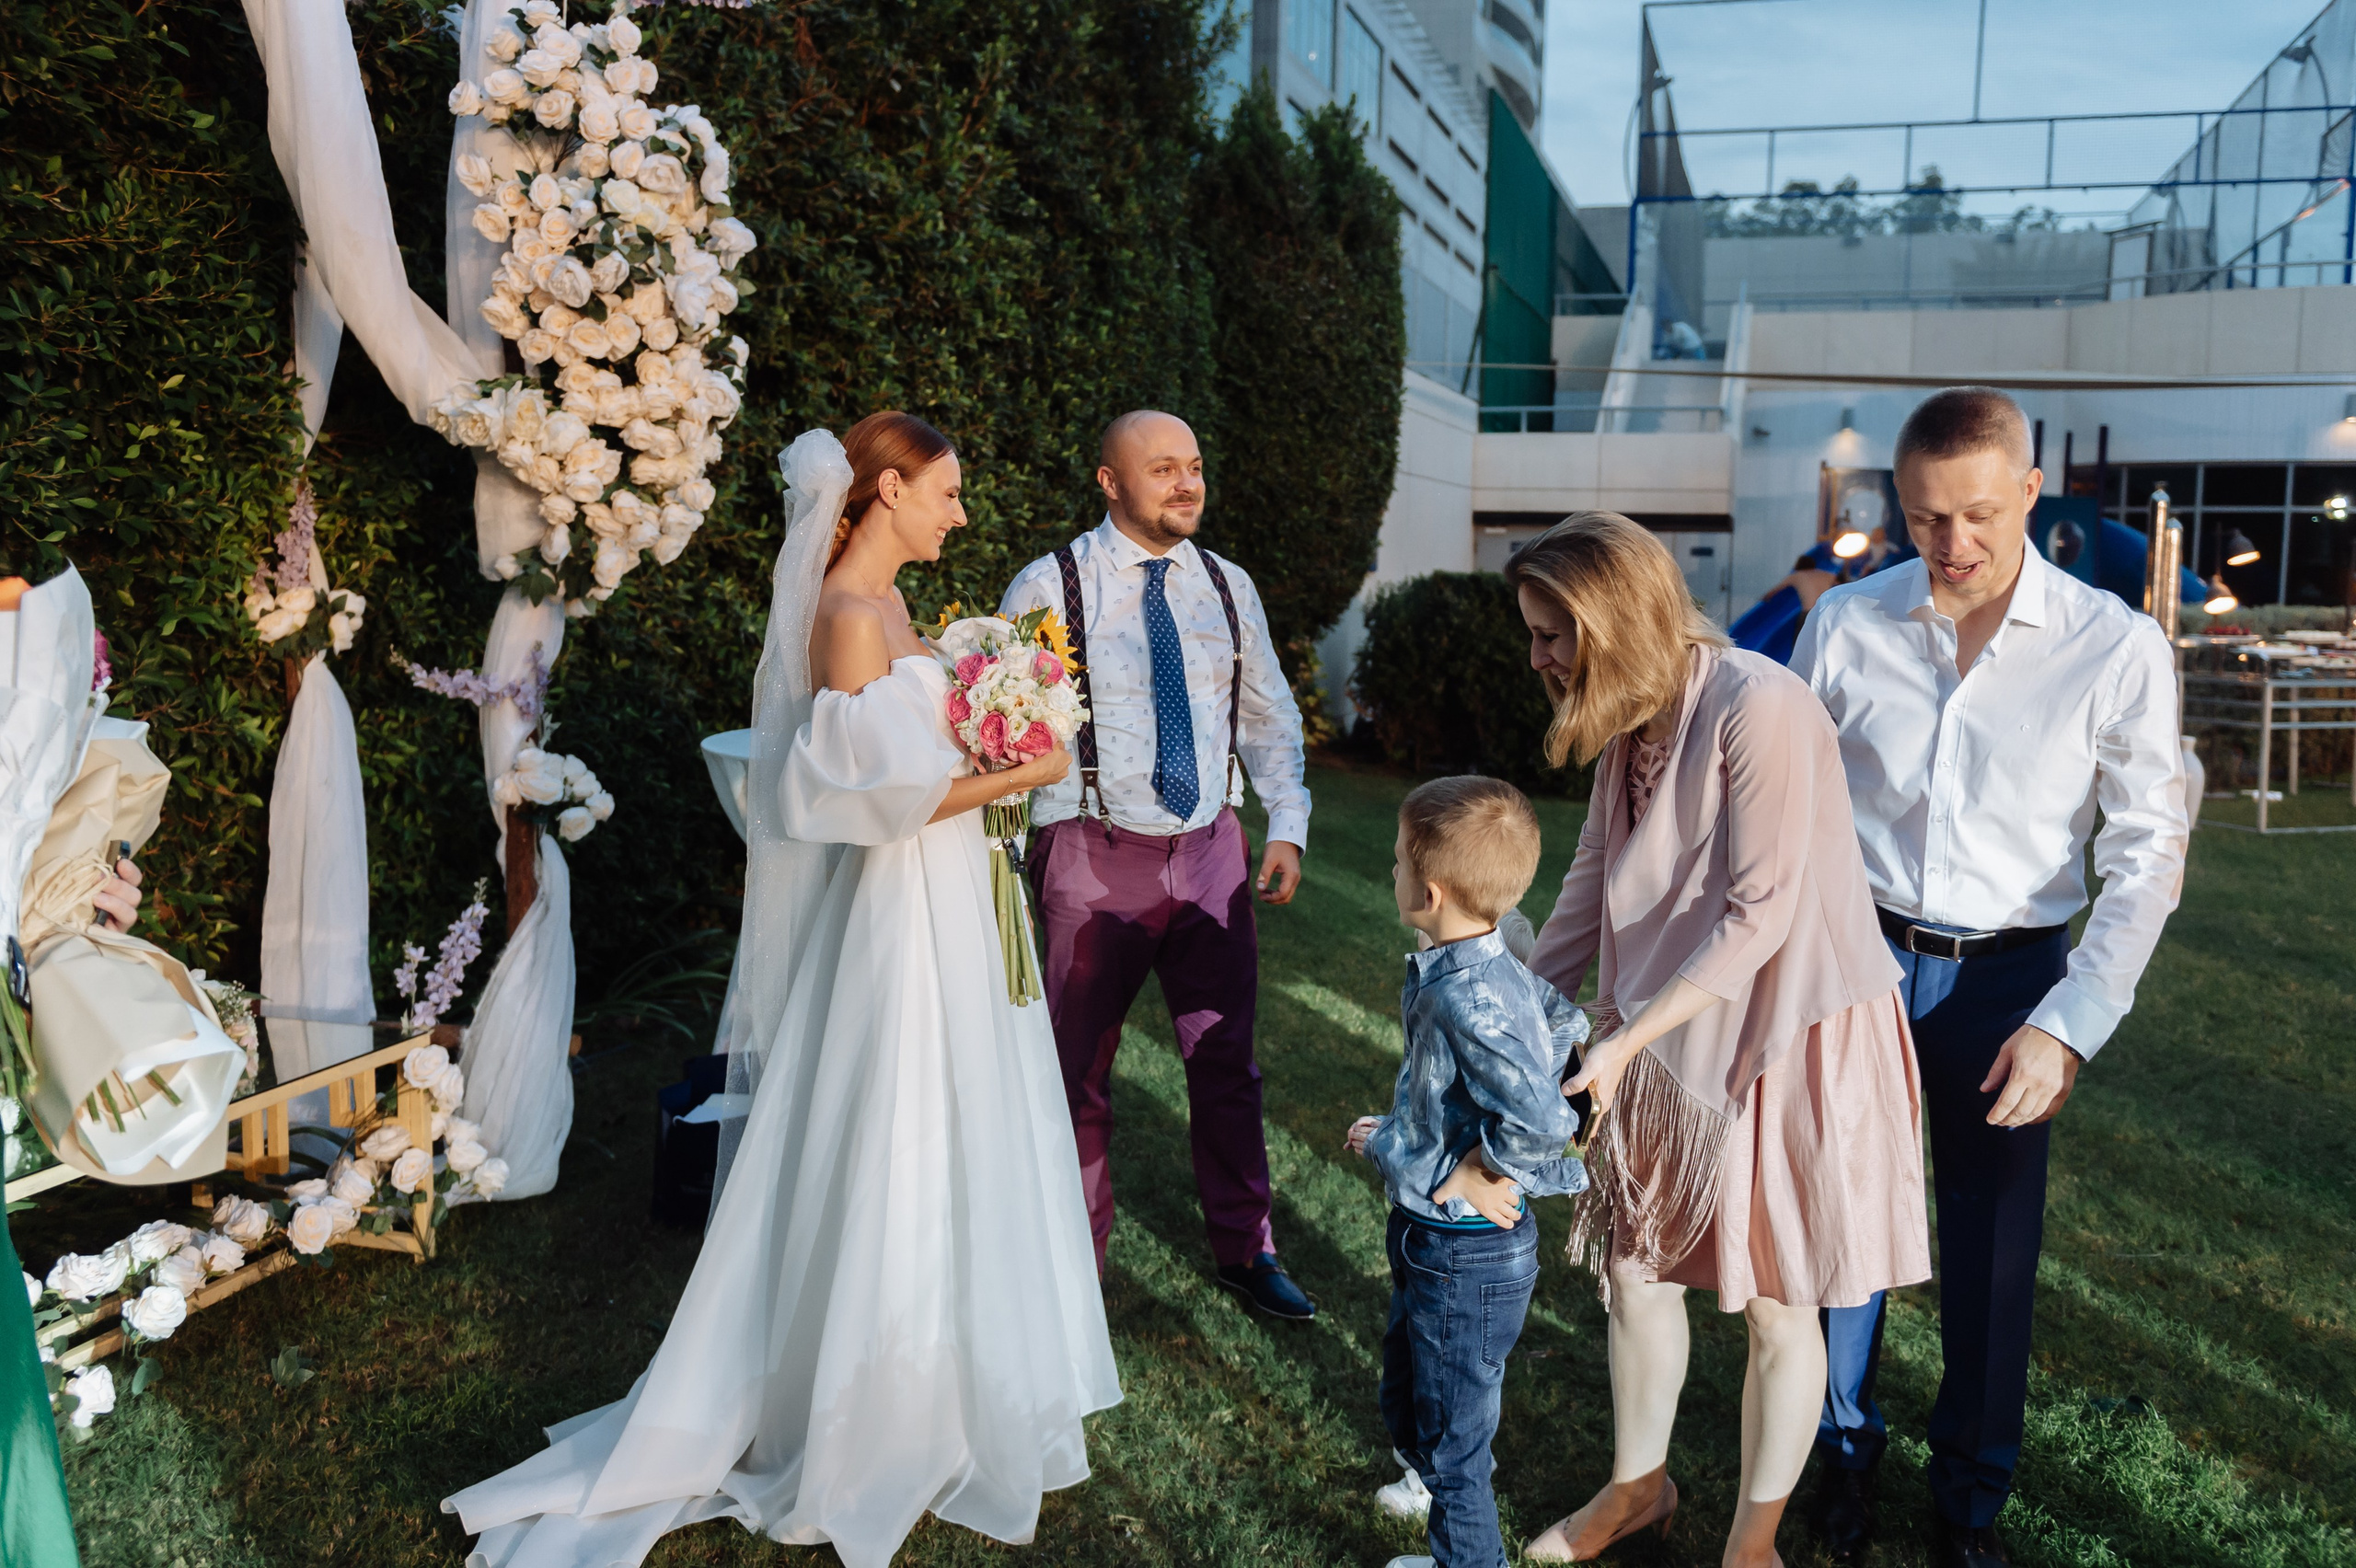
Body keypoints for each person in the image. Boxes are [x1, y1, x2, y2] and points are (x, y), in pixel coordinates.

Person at [444, 415, 1120, 1568]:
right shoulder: (849, 620)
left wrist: (1002, 733)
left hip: (954, 899)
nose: (959, 515)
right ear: (887, 488)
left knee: (967, 1124)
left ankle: (953, 1382)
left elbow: (920, 767)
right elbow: (853, 804)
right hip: (903, 912)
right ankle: (872, 1408)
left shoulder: (901, 612)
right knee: (899, 1125)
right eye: (945, 493)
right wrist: (1031, 765)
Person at [1792, 387, 2188, 1568]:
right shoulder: (1847, 625)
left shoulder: (2114, 647)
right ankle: (1835, 1456)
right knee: (1839, 1234)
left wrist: (2071, 1023)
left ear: (2028, 493)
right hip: (1854, 957)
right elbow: (1788, 801)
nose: (1951, 547)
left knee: (1990, 1251)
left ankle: (1967, 1503)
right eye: (1922, 520)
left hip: (2014, 980)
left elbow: (2145, 849)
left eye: (1976, 515)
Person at [1510, 514, 1930, 1568]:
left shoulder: (1761, 703)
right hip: (1666, 1037)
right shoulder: (1631, 718)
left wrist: (1615, 1045)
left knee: (1778, 1304)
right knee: (1638, 1270)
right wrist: (1504, 1010)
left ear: (1613, 618)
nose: (1539, 657)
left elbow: (1762, 913)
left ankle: (1752, 1544)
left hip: (1788, 1033)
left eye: (1553, 632)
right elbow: (1587, 890)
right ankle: (1635, 1491)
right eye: (1533, 633)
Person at [998, 409, 1315, 1319]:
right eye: (1163, 469)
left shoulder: (1224, 584)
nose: (1186, 485)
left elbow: (1266, 714)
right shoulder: (1047, 586)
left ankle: (1246, 1249)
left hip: (1211, 849)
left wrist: (1283, 823)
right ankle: (1072, 1267)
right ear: (1109, 482)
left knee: (1225, 1063)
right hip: (1093, 854)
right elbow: (1010, 730)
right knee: (1075, 1074)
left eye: (1195, 467)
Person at [1342, 775, 1587, 1568]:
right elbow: (1560, 1026)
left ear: (1432, 890)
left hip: (1464, 1251)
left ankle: (1467, 1559)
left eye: (1396, 862)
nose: (1390, 873)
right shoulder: (1477, 955)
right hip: (1436, 1243)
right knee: (1413, 1392)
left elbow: (1547, 1117)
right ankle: (1429, 1491)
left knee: (1457, 1452)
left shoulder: (1470, 996)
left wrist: (1486, 1165)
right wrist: (1406, 1134)